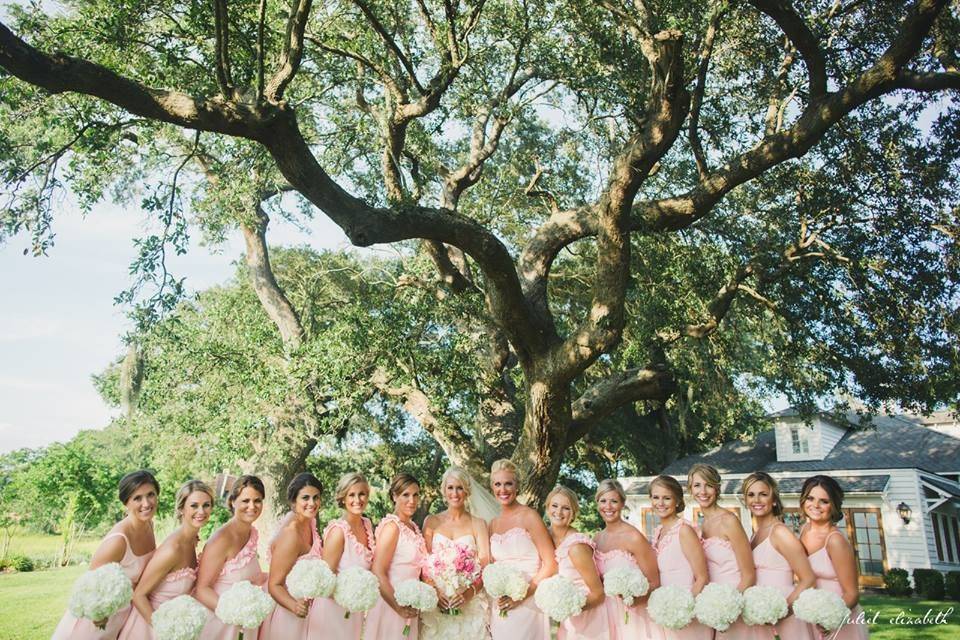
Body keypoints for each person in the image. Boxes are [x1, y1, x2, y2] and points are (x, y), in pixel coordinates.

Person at [52, 470, 159, 640]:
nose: (146, 503)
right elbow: (89, 587)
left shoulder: (149, 526)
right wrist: (98, 615)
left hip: (120, 617)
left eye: (150, 495)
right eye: (137, 498)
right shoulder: (118, 541)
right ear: (126, 503)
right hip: (94, 622)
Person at [118, 480, 214, 639]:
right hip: (149, 629)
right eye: (194, 505)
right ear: (181, 508)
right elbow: (138, 595)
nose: (201, 511)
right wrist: (164, 630)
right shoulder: (173, 549)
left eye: (206, 505)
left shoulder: (192, 540)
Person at [687, 464, 760, 640]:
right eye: (697, 485)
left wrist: (728, 608)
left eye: (708, 485)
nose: (703, 491)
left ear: (717, 488)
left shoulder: (729, 521)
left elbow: (749, 574)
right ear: (690, 489)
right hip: (713, 609)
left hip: (734, 606)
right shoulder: (701, 525)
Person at [487, 459, 556, 640]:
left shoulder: (529, 517)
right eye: (498, 484)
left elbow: (551, 564)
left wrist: (523, 594)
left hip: (529, 602)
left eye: (508, 483)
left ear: (517, 485)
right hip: (501, 603)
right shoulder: (492, 524)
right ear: (492, 487)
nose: (503, 490)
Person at [421, 466, 491, 640]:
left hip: (469, 603)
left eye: (460, 488)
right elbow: (423, 563)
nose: (455, 493)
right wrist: (435, 593)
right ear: (444, 490)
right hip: (438, 604)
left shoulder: (478, 523)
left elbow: (485, 564)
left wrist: (468, 593)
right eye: (450, 487)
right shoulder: (432, 521)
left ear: (467, 491)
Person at [744, 472, 815, 640]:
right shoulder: (755, 534)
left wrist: (782, 612)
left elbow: (808, 579)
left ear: (774, 499)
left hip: (786, 615)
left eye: (763, 494)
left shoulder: (780, 532)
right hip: (760, 615)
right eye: (751, 495)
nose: (757, 500)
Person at [799, 475, 869, 639]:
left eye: (824, 501)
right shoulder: (804, 530)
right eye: (810, 498)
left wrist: (830, 620)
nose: (815, 505)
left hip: (836, 620)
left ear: (834, 505)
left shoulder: (835, 540)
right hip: (810, 616)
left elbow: (852, 593)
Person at [197, 475, 267, 640]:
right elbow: (202, 589)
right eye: (245, 501)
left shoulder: (251, 533)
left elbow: (252, 577)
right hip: (220, 625)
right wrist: (234, 613)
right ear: (233, 501)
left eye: (257, 500)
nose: (252, 506)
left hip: (245, 624)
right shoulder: (221, 539)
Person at [593, 478, 661, 640]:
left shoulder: (634, 537)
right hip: (605, 616)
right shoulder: (596, 539)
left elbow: (655, 582)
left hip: (633, 616)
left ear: (622, 504)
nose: (608, 507)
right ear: (597, 504)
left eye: (614, 501)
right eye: (603, 501)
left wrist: (633, 599)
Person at [311, 472, 375, 639]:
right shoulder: (338, 531)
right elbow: (325, 582)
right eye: (351, 495)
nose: (357, 499)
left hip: (355, 611)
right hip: (332, 611)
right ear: (343, 498)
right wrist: (350, 595)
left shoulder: (367, 525)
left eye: (362, 494)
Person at [260, 472, 324, 638]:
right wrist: (295, 606)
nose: (312, 503)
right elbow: (274, 585)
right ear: (294, 501)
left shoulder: (310, 522)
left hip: (307, 612)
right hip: (287, 612)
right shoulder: (291, 534)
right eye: (306, 498)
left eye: (316, 497)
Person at [365, 473, 429, 638]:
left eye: (415, 495)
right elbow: (378, 571)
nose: (412, 500)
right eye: (405, 495)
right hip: (391, 605)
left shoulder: (414, 527)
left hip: (410, 604)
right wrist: (398, 607)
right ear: (394, 496)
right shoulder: (392, 527)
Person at [546, 485, 614, 639]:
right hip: (567, 621)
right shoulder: (544, 537)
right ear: (547, 508)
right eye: (554, 506)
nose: (559, 512)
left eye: (566, 508)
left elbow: (598, 594)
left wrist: (567, 606)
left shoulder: (577, 546)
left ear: (573, 513)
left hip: (588, 620)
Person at [649, 475, 711, 640]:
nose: (660, 503)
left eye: (667, 498)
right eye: (656, 497)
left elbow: (702, 577)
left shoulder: (684, 530)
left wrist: (684, 609)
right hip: (666, 612)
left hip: (687, 613)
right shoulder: (657, 533)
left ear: (677, 501)